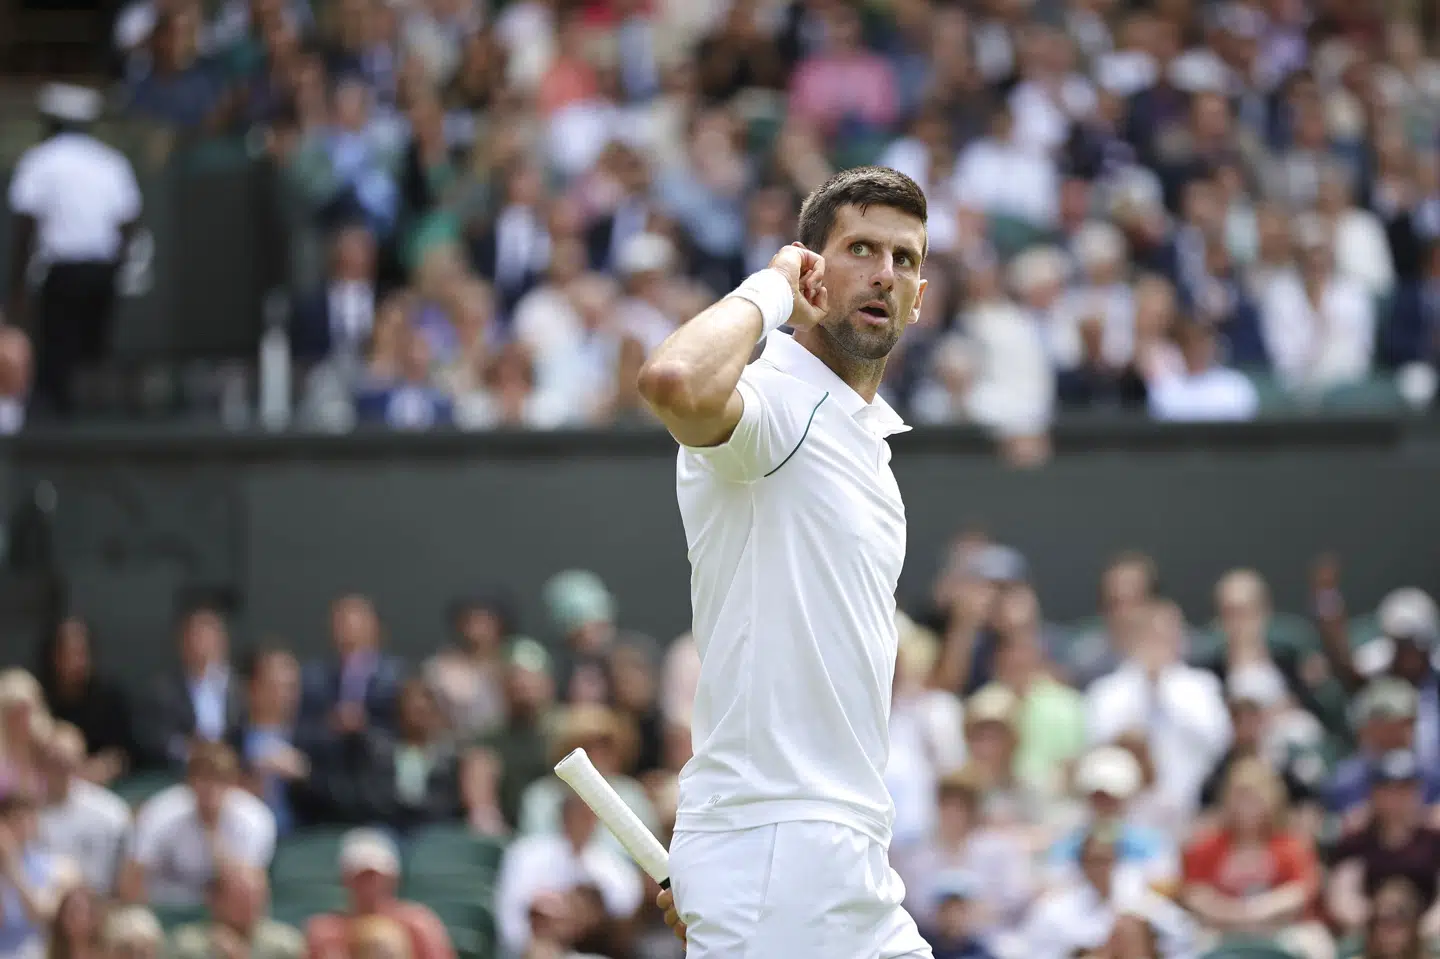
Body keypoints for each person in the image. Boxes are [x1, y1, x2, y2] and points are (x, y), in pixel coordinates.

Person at [637, 166, 933, 957]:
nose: (883, 273)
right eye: (859, 249)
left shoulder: (868, 445)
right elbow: (673, 380)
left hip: (846, 856)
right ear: (812, 270)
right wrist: (768, 292)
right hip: (774, 845)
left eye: (903, 259)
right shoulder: (772, 399)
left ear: (919, 296)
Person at [5, 84, 141, 416]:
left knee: (58, 355)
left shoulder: (39, 161)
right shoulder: (111, 162)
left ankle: (62, 429)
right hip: (101, 271)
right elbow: (129, 224)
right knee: (95, 353)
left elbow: (26, 227)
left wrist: (17, 285)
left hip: (63, 273)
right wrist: (117, 271)